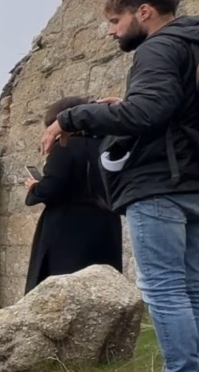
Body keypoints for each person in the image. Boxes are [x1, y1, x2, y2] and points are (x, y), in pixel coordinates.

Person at [44, 0, 199, 372]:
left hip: (162, 185)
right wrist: (125, 104)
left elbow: (147, 114)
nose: (111, 31)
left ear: (143, 12)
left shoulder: (159, 48)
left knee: (163, 286)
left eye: (114, 20)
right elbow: (168, 111)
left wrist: (71, 117)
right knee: (195, 286)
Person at [24, 95, 124, 292]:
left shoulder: (66, 146)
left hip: (69, 228)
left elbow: (51, 187)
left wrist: (35, 187)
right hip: (106, 224)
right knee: (101, 288)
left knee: (62, 289)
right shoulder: (110, 144)